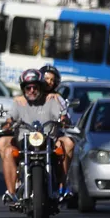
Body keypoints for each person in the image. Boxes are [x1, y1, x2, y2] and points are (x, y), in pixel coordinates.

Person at [0, 69, 69, 205]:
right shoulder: (19, 102)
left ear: (41, 87)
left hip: (48, 142)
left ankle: (62, 186)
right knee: (8, 151)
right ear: (23, 89)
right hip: (24, 143)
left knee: (64, 148)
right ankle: (11, 192)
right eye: (28, 87)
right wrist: (8, 124)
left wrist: (63, 119)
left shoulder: (51, 100)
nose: (31, 90)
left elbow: (61, 116)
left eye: (35, 87)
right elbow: (11, 118)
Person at [38, 65, 75, 200]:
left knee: (68, 143)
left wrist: (64, 120)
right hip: (31, 137)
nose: (49, 82)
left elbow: (66, 118)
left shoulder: (57, 98)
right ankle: (15, 185)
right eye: (46, 78)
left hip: (51, 138)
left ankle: (62, 184)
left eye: (52, 80)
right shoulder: (31, 93)